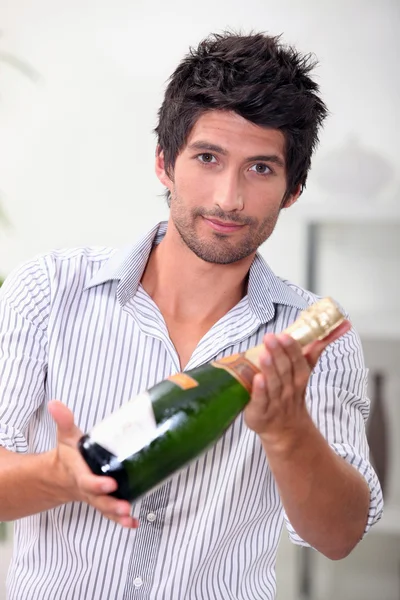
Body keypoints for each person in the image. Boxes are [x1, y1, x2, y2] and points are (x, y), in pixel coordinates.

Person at [0, 31, 383, 600]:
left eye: (260, 169)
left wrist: (287, 432)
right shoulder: (49, 292)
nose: (228, 198)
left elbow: (339, 535)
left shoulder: (312, 341)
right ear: (164, 162)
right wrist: (61, 476)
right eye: (208, 158)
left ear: (293, 189)